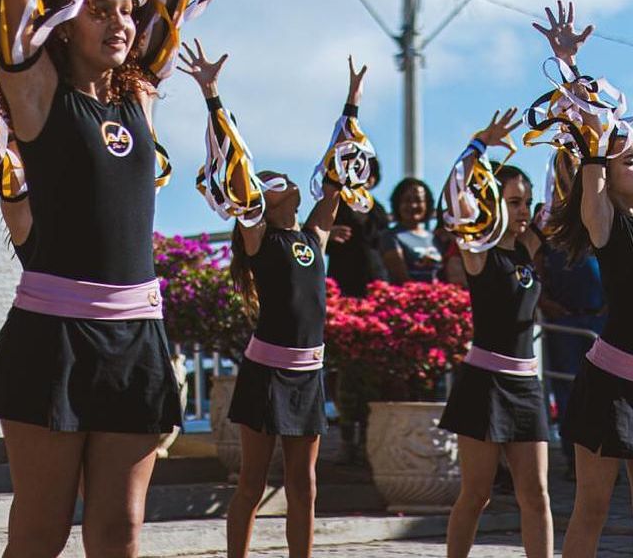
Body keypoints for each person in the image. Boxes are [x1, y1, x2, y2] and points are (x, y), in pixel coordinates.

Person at [0, 0, 249, 554]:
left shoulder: (140, 94)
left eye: (124, 10)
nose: (120, 22)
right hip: (50, 338)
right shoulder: (36, 92)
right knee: (41, 531)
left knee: (120, 531)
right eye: (98, 11)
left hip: (137, 336)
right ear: (63, 20)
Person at [183, 45, 372, 558]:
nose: (282, 181)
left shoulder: (313, 236)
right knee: (251, 483)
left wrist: (352, 103)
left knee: (305, 485)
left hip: (308, 372)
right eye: (270, 183)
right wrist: (212, 94)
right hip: (266, 373)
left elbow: (335, 177)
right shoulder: (259, 239)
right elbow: (235, 167)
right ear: (262, 201)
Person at [534, 1, 633, 558]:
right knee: (594, 507)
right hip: (610, 384)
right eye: (630, 162)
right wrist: (569, 65)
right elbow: (592, 129)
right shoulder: (606, 222)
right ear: (605, 173)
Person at [438, 111, 552, 558]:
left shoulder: (529, 247)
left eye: (526, 202)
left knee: (536, 495)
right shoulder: (477, 251)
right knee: (477, 494)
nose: (523, 210)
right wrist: (479, 145)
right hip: (483, 384)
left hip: (526, 385)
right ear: (494, 202)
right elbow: (454, 193)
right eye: (514, 201)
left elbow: (563, 198)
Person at [535, 148, 606, 480]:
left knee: (602, 389)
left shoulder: (602, 209)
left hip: (599, 317)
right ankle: (574, 457)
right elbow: (536, 264)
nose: (570, 172)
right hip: (563, 319)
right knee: (567, 389)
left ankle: (603, 456)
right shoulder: (546, 220)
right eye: (564, 166)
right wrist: (544, 300)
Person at [325, 157, 388, 297]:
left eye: (369, 174)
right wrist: (327, 234)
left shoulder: (378, 210)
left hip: (374, 278)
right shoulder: (333, 205)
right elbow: (313, 236)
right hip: (343, 278)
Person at [382, 178, 443, 283]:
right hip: (409, 293)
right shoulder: (390, 236)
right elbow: (401, 278)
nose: (413, 205)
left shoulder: (435, 238)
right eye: (407, 200)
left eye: (418, 200)